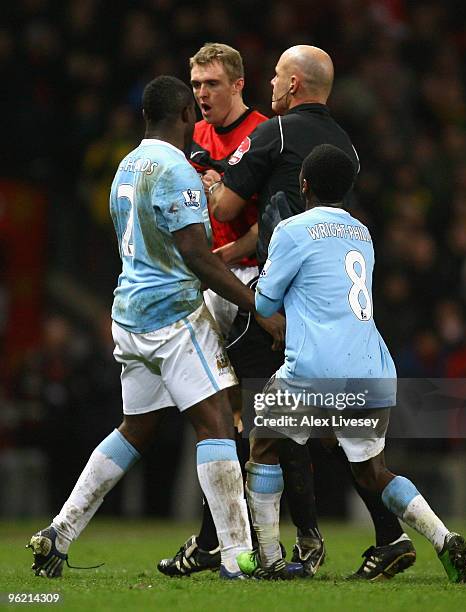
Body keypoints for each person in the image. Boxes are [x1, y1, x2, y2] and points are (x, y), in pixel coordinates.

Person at [25, 75, 279, 580]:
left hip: (128, 318)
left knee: (136, 428)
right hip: (172, 317)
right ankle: (236, 557)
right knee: (216, 426)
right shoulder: (177, 172)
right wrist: (257, 306)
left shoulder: (125, 166)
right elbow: (197, 258)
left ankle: (60, 530)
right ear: (185, 114)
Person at [206, 45, 416, 579]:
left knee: (258, 425)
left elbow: (228, 208)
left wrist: (209, 186)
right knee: (336, 440)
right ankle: (402, 535)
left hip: (275, 291)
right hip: (342, 317)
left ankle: (274, 549)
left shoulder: (271, 134)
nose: (270, 85)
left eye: (276, 76)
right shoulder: (347, 149)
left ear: (294, 85)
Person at [236, 143, 466, 584]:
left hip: (314, 370)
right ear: (347, 190)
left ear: (303, 184)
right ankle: (444, 538)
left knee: (263, 441)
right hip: (371, 369)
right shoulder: (362, 233)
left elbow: (267, 301)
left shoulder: (292, 229)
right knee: (372, 471)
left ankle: (269, 557)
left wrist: (271, 255)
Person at [158, 42, 324, 579]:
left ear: (238, 85)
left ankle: (303, 535)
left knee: (266, 413)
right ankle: (223, 539)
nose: (202, 94)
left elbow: (273, 216)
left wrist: (229, 249)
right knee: (217, 414)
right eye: (196, 84)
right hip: (212, 283)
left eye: (211, 84)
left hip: (254, 280)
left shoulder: (262, 132)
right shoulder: (194, 137)